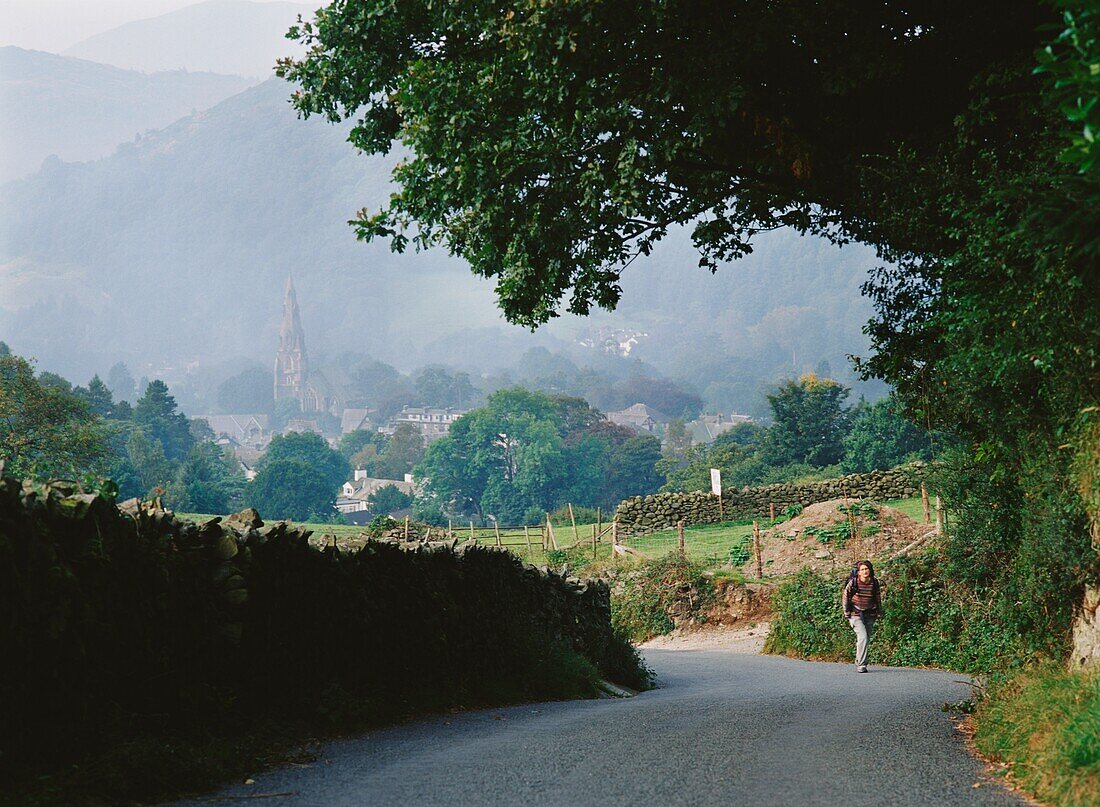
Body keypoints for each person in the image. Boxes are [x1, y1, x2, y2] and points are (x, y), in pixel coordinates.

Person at [842, 559, 882, 673]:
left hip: (870, 613)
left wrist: (879, 611)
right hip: (855, 613)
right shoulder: (853, 582)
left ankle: (859, 659)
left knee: (866, 639)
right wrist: (846, 612)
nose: (865, 571)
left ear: (870, 570)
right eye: (862, 570)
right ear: (858, 572)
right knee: (863, 637)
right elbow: (845, 596)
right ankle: (861, 665)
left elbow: (878, 597)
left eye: (866, 569)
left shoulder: (874, 582)